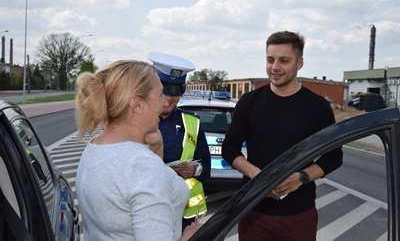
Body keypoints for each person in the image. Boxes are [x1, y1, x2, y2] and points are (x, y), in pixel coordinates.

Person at [222, 31, 343, 241]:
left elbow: (334, 157)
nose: (275, 67)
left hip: (299, 215)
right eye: (270, 60)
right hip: (253, 211)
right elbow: (229, 149)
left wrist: (301, 178)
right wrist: (257, 176)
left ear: (300, 62)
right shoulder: (249, 102)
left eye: (284, 61)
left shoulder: (318, 107)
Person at [75, 60, 198, 241]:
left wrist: (157, 149)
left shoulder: (94, 147)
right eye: (160, 94)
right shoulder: (142, 166)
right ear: (137, 104)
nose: (165, 101)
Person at [148, 52, 211, 228]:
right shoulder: (136, 122)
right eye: (164, 91)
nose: (169, 99)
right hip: (149, 212)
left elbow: (206, 166)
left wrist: (195, 169)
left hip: (184, 215)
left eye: (175, 92)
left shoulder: (192, 122)